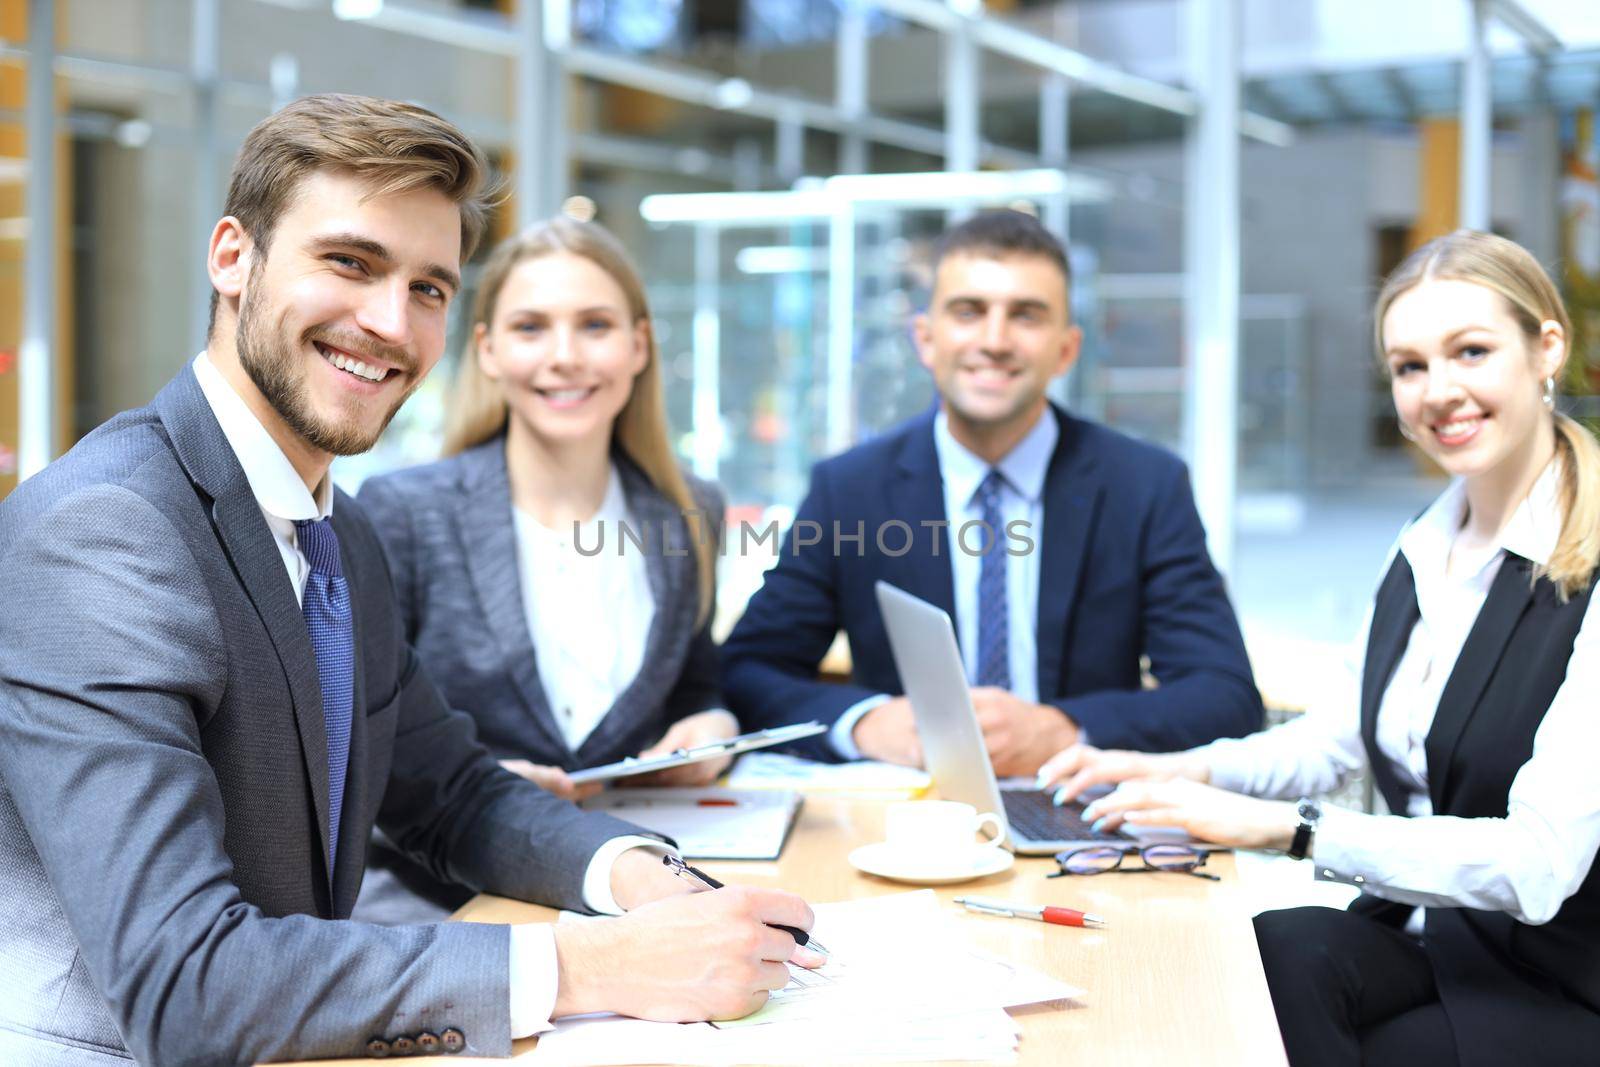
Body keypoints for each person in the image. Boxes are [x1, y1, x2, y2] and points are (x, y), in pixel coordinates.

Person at [0, 94, 818, 1067]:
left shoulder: (337, 528)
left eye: (430, 287)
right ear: (231, 258)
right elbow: (184, 980)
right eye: (349, 262)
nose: (389, 321)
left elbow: (451, 792)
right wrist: (586, 963)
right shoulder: (106, 529)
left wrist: (639, 875)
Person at [1040, 230, 1600, 1066]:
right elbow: (1333, 739)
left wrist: (1289, 830)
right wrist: (1186, 772)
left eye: (1471, 351)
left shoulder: (1586, 565)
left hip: (1555, 977)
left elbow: (1539, 863)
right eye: (1410, 367)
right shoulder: (1421, 546)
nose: (1438, 391)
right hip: (1431, 936)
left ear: (1546, 346)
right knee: (1266, 958)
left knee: (1302, 1031)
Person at [721, 209, 1262, 776]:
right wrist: (866, 722)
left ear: (1066, 349)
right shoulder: (850, 489)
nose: (995, 340)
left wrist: (1063, 729)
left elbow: (1225, 696)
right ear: (925, 338)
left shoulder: (1146, 487)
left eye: (1026, 316)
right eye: (968, 312)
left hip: (1078, 812)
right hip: (910, 814)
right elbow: (746, 671)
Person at [353, 216, 735, 922]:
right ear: (489, 351)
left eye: (594, 325)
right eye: (531, 328)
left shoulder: (690, 509)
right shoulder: (404, 511)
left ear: (639, 345)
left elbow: (693, 682)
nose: (565, 356)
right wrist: (468, 783)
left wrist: (710, 723)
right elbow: (352, 746)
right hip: (444, 900)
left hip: (631, 878)